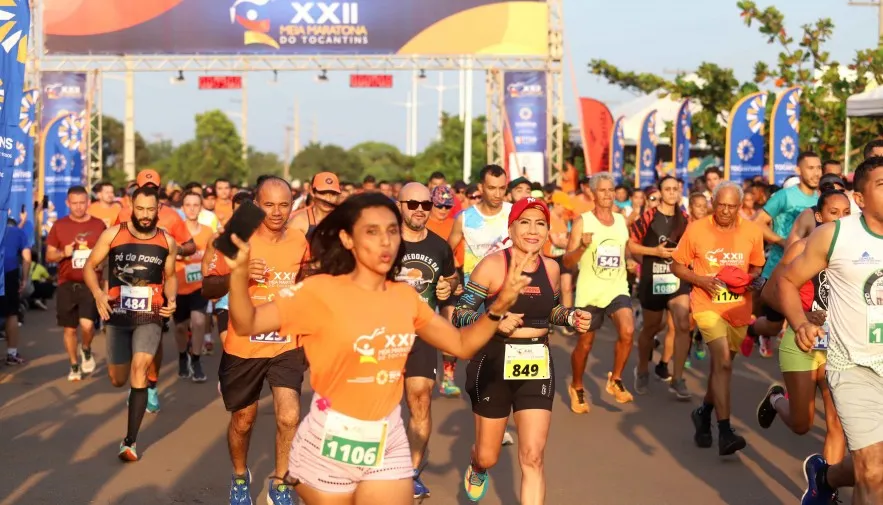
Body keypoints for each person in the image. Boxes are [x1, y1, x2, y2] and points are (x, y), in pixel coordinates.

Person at [222, 192, 532, 505]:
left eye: (392, 231)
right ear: (347, 239)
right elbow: (248, 323)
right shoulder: (320, 292)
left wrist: (499, 307)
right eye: (372, 231)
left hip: (386, 438)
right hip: (330, 440)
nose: (385, 241)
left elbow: (462, 345)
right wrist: (237, 273)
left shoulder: (405, 298)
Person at [454, 197, 590, 503]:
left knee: (533, 457)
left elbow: (551, 311)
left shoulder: (551, 268)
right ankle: (478, 464)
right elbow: (459, 314)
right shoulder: (493, 265)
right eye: (525, 222)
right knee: (489, 456)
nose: (533, 230)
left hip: (536, 361)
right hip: (493, 361)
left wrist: (570, 316)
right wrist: (492, 320)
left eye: (540, 223)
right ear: (511, 226)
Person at [776, 156, 883, 505]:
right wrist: (801, 323)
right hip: (852, 366)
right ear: (860, 198)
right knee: (872, 472)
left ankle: (826, 476)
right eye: (882, 184)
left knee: (873, 466)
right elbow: (787, 281)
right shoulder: (833, 236)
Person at [202, 177, 309, 505]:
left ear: (292, 205)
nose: (277, 212)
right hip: (244, 342)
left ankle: (280, 483)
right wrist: (241, 273)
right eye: (269, 204)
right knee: (243, 420)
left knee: (289, 415)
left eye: (284, 204)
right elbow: (208, 288)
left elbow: (307, 280)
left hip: (285, 342)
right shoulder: (236, 238)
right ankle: (239, 476)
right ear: (255, 205)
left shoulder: (301, 240)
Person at [756, 191, 850, 478]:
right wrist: (801, 316)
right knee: (802, 424)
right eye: (834, 213)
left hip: (840, 346)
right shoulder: (801, 249)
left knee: (836, 423)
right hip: (803, 341)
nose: (842, 218)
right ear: (819, 217)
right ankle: (775, 399)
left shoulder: (859, 254)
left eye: (847, 212)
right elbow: (771, 293)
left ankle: (825, 489)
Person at [83, 185, 177, 461]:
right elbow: (90, 266)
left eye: (151, 209)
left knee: (140, 368)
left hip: (150, 315)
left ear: (158, 209)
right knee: (117, 379)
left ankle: (129, 442)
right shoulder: (113, 234)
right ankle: (132, 397)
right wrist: (99, 294)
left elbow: (170, 276)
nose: (146, 215)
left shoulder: (166, 240)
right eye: (140, 209)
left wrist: (171, 298)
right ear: (131, 208)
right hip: (118, 316)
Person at [671, 181, 765, 456]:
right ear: (713, 202)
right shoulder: (697, 229)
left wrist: (751, 279)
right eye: (721, 205)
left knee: (722, 369)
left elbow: (757, 264)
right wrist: (699, 279)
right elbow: (676, 265)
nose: (725, 211)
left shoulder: (751, 231)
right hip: (706, 305)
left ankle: (704, 413)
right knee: (722, 362)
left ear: (739, 206)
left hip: (738, 308)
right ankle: (725, 431)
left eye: (731, 206)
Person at [393, 183, 458, 499]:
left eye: (426, 204)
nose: (420, 209)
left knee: (419, 397)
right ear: (400, 205)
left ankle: (411, 472)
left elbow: (451, 278)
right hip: (383, 335)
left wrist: (448, 289)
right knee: (383, 406)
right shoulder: (385, 242)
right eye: (413, 203)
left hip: (422, 332)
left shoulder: (440, 246)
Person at [563, 172, 637, 412]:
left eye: (611, 190)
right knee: (585, 345)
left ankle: (615, 380)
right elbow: (567, 262)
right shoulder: (583, 222)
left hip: (616, 288)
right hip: (589, 292)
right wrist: (583, 246)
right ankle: (576, 386)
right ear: (593, 194)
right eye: (602, 190)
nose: (608, 194)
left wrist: (629, 260)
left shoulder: (620, 220)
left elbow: (623, 249)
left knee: (628, 330)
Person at [446, 164, 512, 398]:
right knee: (485, 354)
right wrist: (453, 278)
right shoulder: (465, 218)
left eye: (502, 188)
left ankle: (497, 409)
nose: (497, 194)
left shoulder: (514, 214)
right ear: (481, 187)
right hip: (477, 296)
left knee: (504, 355)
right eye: (492, 188)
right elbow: (447, 251)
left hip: (508, 292)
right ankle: (487, 404)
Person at [751, 152, 822, 357]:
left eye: (818, 168)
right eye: (810, 168)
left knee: (799, 322)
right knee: (774, 326)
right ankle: (753, 330)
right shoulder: (785, 195)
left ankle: (798, 372)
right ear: (798, 171)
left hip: (807, 270)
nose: (816, 173)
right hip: (778, 267)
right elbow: (758, 222)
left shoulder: (821, 199)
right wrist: (783, 242)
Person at [628, 176, 692, 399]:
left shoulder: (685, 218)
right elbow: (631, 244)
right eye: (668, 189)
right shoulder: (649, 216)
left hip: (677, 279)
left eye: (676, 189)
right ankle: (643, 369)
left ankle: (678, 379)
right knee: (652, 327)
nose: (672, 193)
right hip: (653, 279)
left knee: (683, 324)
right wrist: (655, 252)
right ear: (661, 192)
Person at [45, 186, 106, 380]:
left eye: (82, 202)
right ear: (67, 203)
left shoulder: (98, 226)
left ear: (88, 202)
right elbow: (49, 255)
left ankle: (86, 348)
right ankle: (73, 365)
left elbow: (107, 253)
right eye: (74, 203)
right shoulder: (59, 226)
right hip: (66, 283)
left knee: (88, 326)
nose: (79, 207)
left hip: (91, 284)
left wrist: (100, 262)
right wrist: (64, 253)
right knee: (69, 329)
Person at [174, 192, 213, 382]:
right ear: (182, 208)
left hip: (199, 286)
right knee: (180, 328)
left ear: (201, 208)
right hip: (178, 287)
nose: (191, 208)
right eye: (188, 205)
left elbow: (213, 258)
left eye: (195, 205)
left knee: (198, 322)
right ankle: (183, 356)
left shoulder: (208, 233)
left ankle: (196, 360)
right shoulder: (175, 232)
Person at [2, 216, 30, 365]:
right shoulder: (17, 232)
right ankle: (12, 354)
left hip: (7, 274)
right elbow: (27, 257)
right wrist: (24, 279)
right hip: (9, 275)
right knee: (12, 314)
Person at [289, 172, 340, 241]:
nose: (328, 199)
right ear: (312, 192)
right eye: (322, 193)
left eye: (333, 194)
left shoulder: (344, 220)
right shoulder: (300, 221)